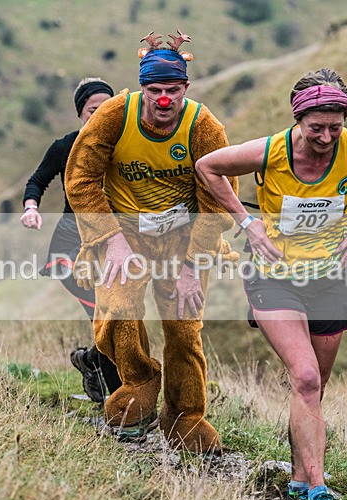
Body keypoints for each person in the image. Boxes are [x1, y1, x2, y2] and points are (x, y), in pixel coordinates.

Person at [195, 68, 347, 500]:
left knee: (313, 390)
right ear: (298, 119)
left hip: (331, 279)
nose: (327, 136)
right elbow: (207, 166)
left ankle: (296, 484)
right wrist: (247, 224)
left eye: (335, 126)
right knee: (305, 377)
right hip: (274, 279)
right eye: (316, 128)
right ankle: (319, 493)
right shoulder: (269, 151)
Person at [64, 31, 237, 452]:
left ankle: (185, 416)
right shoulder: (112, 115)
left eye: (172, 91)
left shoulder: (204, 127)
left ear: (186, 90)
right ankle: (138, 384)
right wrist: (112, 241)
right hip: (124, 234)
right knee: (118, 310)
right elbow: (80, 177)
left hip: (184, 238)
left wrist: (194, 266)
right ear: (142, 88)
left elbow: (218, 199)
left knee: (183, 328)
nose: (164, 100)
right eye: (154, 90)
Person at [21, 77, 122, 403]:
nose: (100, 114)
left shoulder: (122, 145)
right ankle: (117, 398)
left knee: (118, 316)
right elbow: (37, 180)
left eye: (107, 108)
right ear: (81, 113)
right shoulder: (65, 146)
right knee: (103, 313)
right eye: (93, 109)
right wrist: (31, 208)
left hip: (108, 243)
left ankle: (92, 362)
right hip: (69, 247)